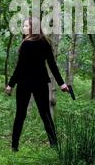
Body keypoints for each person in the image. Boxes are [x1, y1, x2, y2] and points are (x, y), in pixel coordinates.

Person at [5, 17, 69, 151]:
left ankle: (14, 147)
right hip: (41, 83)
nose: (23, 28)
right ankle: (54, 146)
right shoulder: (45, 42)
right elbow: (52, 65)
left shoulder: (26, 44)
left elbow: (20, 67)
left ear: (33, 28)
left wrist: (11, 84)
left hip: (25, 83)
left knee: (20, 115)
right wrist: (61, 84)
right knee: (45, 114)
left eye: (26, 26)